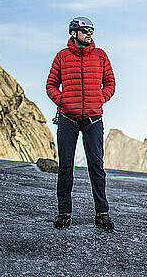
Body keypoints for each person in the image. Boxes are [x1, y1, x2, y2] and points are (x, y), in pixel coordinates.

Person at [46, 16, 116, 230]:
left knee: (96, 166)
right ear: (73, 33)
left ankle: (102, 214)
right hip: (67, 119)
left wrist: (100, 98)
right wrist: (63, 101)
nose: (89, 34)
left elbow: (110, 83)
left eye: (91, 31)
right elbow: (50, 85)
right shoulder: (62, 57)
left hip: (93, 119)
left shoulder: (100, 56)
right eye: (85, 31)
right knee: (66, 167)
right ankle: (64, 214)